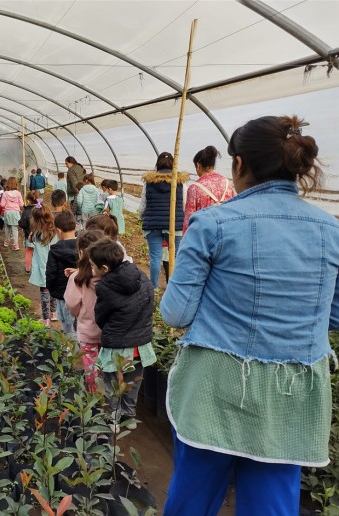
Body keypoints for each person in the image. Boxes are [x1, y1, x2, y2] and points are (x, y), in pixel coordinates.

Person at [160, 116, 339, 516]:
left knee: (193, 500)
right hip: (291, 396)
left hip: (214, 391)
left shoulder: (212, 224)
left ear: (238, 165)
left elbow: (175, 313)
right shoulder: (331, 230)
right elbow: (336, 315)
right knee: (271, 503)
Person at [90, 239, 155, 427]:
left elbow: (100, 316)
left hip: (117, 345)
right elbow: (149, 302)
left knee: (112, 383)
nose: (92, 270)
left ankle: (114, 417)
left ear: (104, 268)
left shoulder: (105, 287)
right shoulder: (141, 277)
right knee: (133, 381)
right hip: (140, 345)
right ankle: (129, 415)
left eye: (93, 266)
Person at [139, 151, 188, 289]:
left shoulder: (149, 182)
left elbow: (143, 204)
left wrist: (141, 217)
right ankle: (173, 287)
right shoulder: (180, 182)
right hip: (174, 225)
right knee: (176, 257)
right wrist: (181, 220)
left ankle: (153, 288)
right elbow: (184, 204)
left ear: (157, 165)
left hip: (153, 224)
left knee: (155, 258)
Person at [64, 230, 105, 391]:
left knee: (92, 371)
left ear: (81, 252)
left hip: (88, 332)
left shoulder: (78, 278)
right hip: (110, 332)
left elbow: (72, 304)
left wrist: (79, 314)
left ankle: (96, 402)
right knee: (110, 368)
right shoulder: (110, 274)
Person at [183, 145, 235, 232]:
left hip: (204, 236)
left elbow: (189, 220)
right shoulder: (227, 184)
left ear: (198, 165)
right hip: (226, 233)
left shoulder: (194, 188)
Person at [46, 210, 78, 337]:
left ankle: (71, 353)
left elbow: (51, 273)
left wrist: (51, 289)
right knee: (80, 323)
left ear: (58, 231)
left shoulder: (55, 250)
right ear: (75, 227)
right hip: (81, 294)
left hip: (63, 294)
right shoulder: (83, 247)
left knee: (67, 325)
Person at [28, 201, 59, 325]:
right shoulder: (54, 232)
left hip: (42, 266)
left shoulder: (37, 234)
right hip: (54, 265)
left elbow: (30, 242)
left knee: (44, 291)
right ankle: (54, 313)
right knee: (54, 290)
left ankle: (46, 319)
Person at [0, 176, 24, 250]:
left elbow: (2, 204)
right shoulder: (18, 193)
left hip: (8, 213)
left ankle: (6, 242)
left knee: (7, 228)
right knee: (14, 229)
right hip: (16, 213)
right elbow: (21, 204)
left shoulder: (5, 193)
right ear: (16, 184)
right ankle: (16, 245)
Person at [18, 190, 38, 273]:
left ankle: (28, 268)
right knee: (38, 253)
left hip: (29, 235)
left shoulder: (26, 211)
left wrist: (20, 222)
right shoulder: (41, 209)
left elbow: (23, 224)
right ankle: (37, 269)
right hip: (40, 235)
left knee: (29, 251)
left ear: (28, 200)